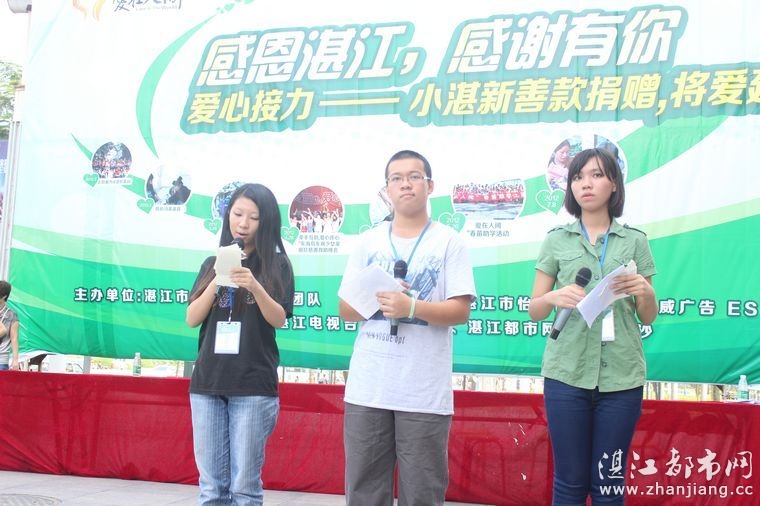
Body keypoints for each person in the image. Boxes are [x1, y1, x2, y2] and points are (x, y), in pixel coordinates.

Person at [338, 149, 476, 506]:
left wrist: (411, 307)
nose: (405, 184)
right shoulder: (367, 241)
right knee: (364, 491)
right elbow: (346, 310)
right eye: (396, 179)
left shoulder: (449, 241)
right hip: (368, 388)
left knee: (423, 493)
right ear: (387, 190)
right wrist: (380, 298)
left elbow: (460, 310)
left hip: (423, 391)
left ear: (430, 186)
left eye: (414, 177)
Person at [528, 148, 657, 505]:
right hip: (566, 374)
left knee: (608, 484)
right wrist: (553, 297)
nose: (586, 183)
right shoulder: (557, 239)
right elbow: (534, 310)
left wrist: (645, 291)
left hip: (621, 378)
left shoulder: (635, 240)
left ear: (614, 184)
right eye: (578, 177)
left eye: (597, 175)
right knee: (569, 483)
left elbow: (648, 315)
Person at [185, 183, 295, 505]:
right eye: (237, 214)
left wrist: (255, 287)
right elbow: (192, 318)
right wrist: (218, 280)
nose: (243, 224)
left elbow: (279, 319)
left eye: (253, 217)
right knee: (211, 488)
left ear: (267, 222)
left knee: (245, 488)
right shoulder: (211, 264)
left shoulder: (277, 265)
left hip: (252, 385)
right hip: (208, 383)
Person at [0, 280, 20, 371]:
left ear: (4, 296)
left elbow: (14, 338)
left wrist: (15, 360)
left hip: (1, 359)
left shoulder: (12, 315)